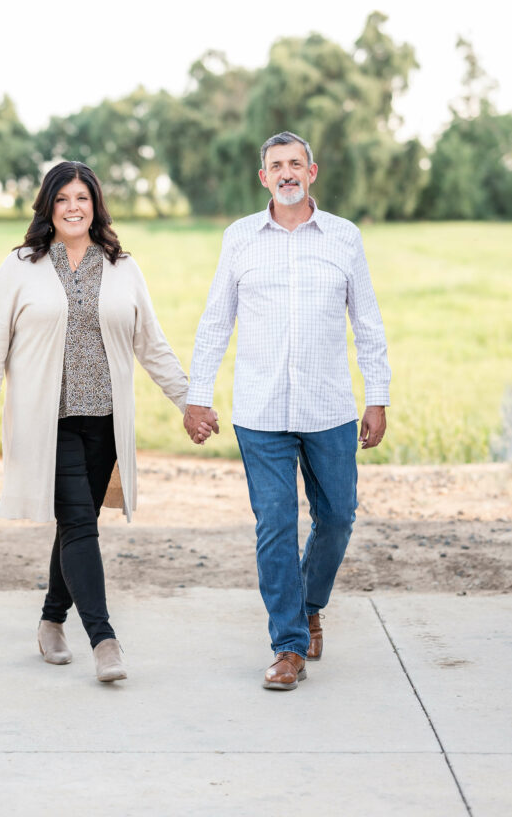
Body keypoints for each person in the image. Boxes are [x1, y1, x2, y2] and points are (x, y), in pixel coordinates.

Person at [0, 161, 215, 684]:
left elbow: (151, 344)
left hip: (105, 420)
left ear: (96, 205)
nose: (73, 207)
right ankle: (104, 641)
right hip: (46, 421)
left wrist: (189, 402)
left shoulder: (122, 266)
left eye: (82, 197)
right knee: (81, 522)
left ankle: (50, 620)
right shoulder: (20, 266)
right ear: (49, 207)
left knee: (77, 524)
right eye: (63, 199)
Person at [183, 132, 390, 691]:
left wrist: (379, 396)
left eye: (295, 163)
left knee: (339, 517)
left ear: (313, 171)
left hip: (330, 409)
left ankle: (310, 603)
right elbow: (215, 321)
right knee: (275, 525)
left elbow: (366, 323)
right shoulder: (240, 239)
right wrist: (196, 395)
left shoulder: (344, 238)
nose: (286, 172)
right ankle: (288, 646)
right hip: (261, 409)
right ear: (264, 178)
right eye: (276, 165)